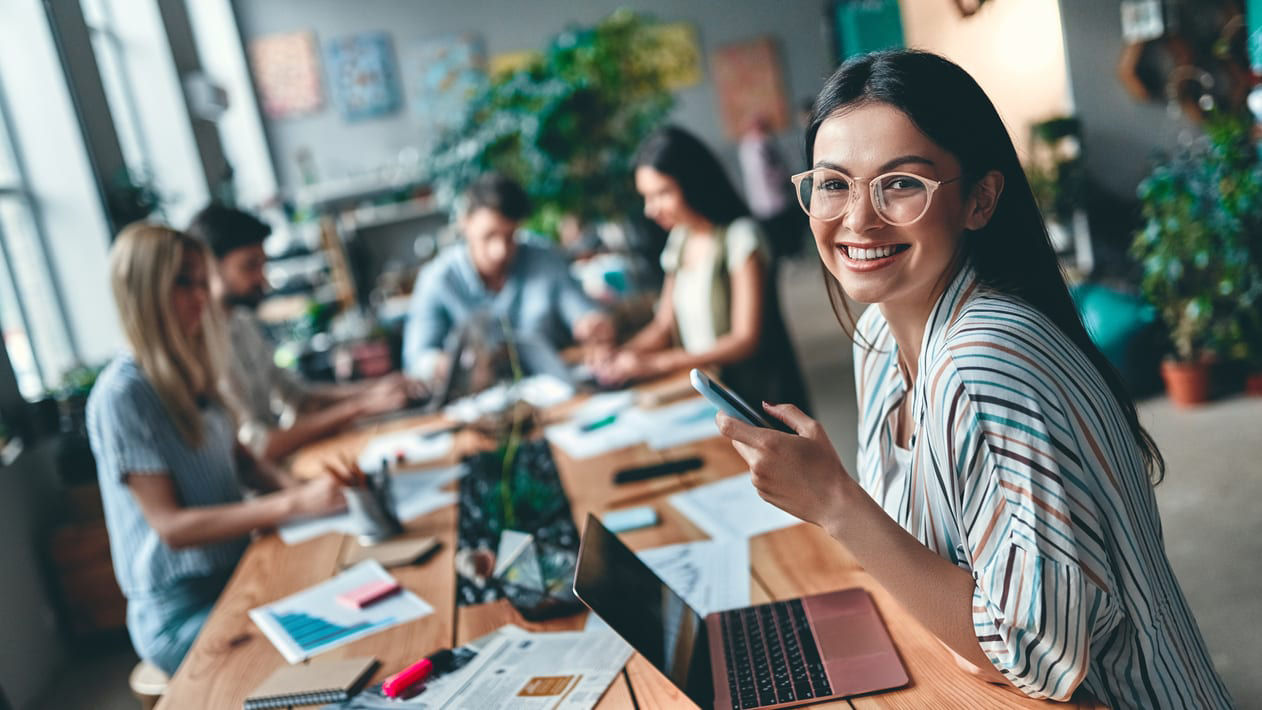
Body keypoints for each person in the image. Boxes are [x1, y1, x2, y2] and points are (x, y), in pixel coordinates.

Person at [715, 51, 1232, 708]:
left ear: (980, 200)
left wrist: (836, 504)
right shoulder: (878, 334)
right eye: (834, 183)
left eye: (900, 183)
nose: (858, 219)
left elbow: (1035, 660)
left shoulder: (987, 355)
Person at [87, 223, 352, 675]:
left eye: (199, 280)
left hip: (237, 576)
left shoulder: (195, 368)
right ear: (145, 292)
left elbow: (245, 465)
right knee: (322, 648)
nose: (202, 295)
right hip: (181, 612)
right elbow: (172, 527)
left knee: (343, 602)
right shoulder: (122, 394)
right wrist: (293, 502)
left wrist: (309, 496)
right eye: (183, 282)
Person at [593, 126, 809, 411]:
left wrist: (657, 363)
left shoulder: (741, 237)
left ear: (693, 183)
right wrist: (621, 355)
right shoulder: (680, 239)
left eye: (662, 193)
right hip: (709, 396)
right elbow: (664, 324)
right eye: (646, 196)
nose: (650, 209)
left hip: (756, 399)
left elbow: (746, 339)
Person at [187, 204, 419, 462]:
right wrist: (359, 406)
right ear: (208, 267)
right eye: (249, 266)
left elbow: (296, 395)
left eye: (262, 265)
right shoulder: (202, 345)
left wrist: (374, 390)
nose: (262, 280)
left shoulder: (242, 320)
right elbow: (259, 446)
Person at [401, 173, 613, 383]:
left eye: (509, 236)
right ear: (464, 223)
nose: (500, 251)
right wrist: (444, 366)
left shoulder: (543, 258)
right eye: (489, 236)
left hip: (552, 391)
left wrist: (592, 325)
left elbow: (582, 312)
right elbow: (416, 359)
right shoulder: (437, 279)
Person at [737, 115, 807, 261]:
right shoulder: (762, 144)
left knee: (775, 234)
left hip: (761, 201)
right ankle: (790, 255)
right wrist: (787, 177)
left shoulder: (746, 146)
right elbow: (770, 171)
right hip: (774, 198)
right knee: (783, 232)